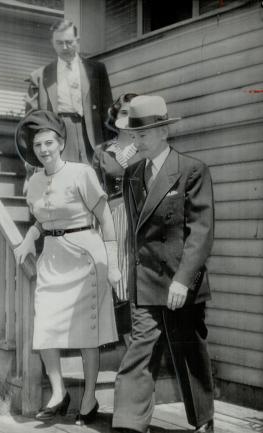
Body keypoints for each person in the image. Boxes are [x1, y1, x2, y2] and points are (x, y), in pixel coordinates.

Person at [112, 95, 215, 433]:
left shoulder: (191, 170)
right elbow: (133, 233)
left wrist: (183, 279)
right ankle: (128, 425)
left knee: (189, 352)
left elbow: (200, 232)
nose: (136, 141)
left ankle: (203, 421)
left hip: (182, 281)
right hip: (146, 280)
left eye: (142, 135)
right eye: (133, 135)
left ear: (163, 133)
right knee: (139, 352)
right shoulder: (130, 175)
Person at [14, 110, 121, 425]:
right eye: (38, 146)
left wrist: (113, 264)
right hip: (52, 256)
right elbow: (43, 219)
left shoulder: (81, 173)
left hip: (85, 255)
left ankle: (89, 399)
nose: (44, 150)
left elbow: (104, 218)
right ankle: (59, 393)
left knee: (87, 332)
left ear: (60, 143)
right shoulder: (34, 181)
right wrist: (27, 240)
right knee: (46, 325)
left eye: (49, 143)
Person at [25, 19, 113, 164]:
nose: (65, 47)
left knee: (91, 179)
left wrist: (111, 147)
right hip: (59, 133)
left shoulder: (97, 70)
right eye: (59, 43)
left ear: (77, 41)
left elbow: (108, 112)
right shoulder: (40, 76)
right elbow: (31, 120)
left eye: (69, 42)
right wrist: (31, 159)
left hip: (91, 135)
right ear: (52, 43)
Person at [93, 93, 141, 316]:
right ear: (115, 116)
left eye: (133, 113)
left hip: (140, 217)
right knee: (113, 275)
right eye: (124, 112)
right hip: (110, 218)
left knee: (135, 275)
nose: (128, 117)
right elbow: (94, 191)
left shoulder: (147, 147)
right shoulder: (102, 150)